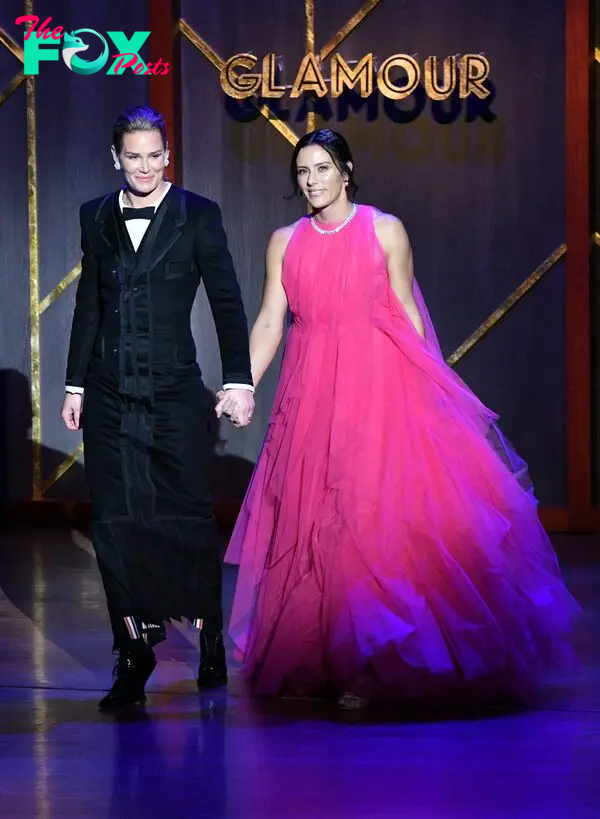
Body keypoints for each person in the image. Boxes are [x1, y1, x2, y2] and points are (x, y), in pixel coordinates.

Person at [222, 128, 580, 711]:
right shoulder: (285, 241)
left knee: (372, 518)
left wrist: (431, 394)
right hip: (311, 390)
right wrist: (243, 384)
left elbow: (409, 313)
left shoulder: (383, 229)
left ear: (346, 169)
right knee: (316, 520)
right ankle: (325, 660)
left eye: (321, 168)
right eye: (302, 172)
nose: (310, 180)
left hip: (379, 387)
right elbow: (270, 319)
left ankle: (377, 663)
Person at [62, 105, 254, 709]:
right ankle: (133, 652)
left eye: (154, 155)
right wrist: (74, 386)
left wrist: (240, 379)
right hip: (109, 390)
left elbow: (226, 301)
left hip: (174, 390)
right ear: (115, 159)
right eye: (132, 156)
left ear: (167, 156)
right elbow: (89, 305)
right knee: (113, 522)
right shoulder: (95, 215)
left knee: (188, 515)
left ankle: (208, 633)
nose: (143, 167)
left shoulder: (198, 214)